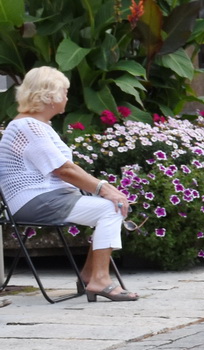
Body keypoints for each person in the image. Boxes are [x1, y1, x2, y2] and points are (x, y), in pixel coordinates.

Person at [0, 67, 137, 300]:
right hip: (34, 200)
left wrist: (107, 190)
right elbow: (63, 169)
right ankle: (99, 280)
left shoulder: (37, 126)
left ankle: (89, 276)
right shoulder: (28, 127)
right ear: (49, 96)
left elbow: (64, 169)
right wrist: (104, 189)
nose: (66, 96)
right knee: (110, 208)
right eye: (64, 91)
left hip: (45, 198)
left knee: (112, 206)